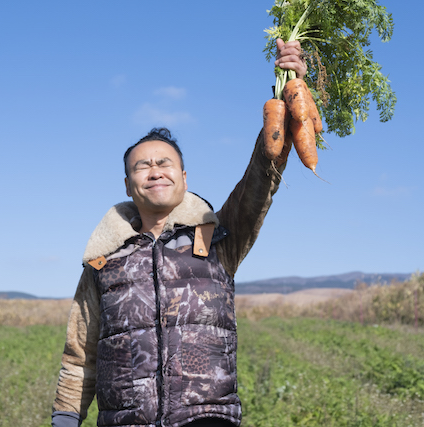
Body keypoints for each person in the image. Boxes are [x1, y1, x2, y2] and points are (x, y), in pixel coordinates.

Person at [51, 39, 307, 427]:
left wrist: (287, 101)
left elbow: (261, 179)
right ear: (127, 184)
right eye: (143, 166)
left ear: (183, 178)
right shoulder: (103, 260)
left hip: (206, 419)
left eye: (165, 163)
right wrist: (66, 419)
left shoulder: (219, 237)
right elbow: (80, 352)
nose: (155, 171)